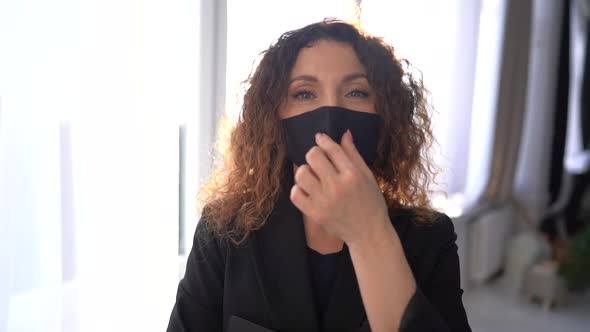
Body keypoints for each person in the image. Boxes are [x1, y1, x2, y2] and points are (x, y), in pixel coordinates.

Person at [167, 20, 471, 332]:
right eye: (304, 93)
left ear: (385, 114)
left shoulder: (430, 238)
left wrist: (369, 234)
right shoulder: (224, 231)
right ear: (274, 115)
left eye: (356, 91)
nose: (331, 111)